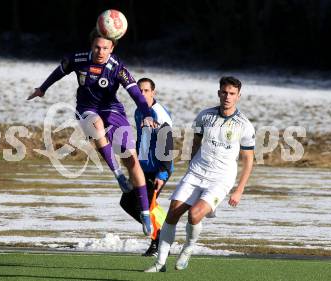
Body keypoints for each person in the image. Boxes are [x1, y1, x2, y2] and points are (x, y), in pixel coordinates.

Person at [27, 29, 154, 235]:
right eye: (97, 47)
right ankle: (118, 175)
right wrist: (42, 88)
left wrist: (146, 113)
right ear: (91, 46)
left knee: (131, 159)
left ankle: (146, 213)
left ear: (112, 48)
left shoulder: (117, 68)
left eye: (105, 48)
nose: (100, 51)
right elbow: (59, 71)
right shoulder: (78, 59)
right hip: (87, 108)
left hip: (113, 110)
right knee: (95, 126)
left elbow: (136, 94)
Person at [145, 76, 255, 272]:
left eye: (232, 94)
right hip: (196, 172)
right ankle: (160, 263)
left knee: (194, 216)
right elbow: (195, 143)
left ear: (238, 96)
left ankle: (188, 248)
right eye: (224, 92)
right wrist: (190, 167)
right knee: (172, 213)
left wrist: (239, 189)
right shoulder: (204, 116)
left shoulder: (244, 125)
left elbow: (248, 160)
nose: (227, 97)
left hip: (221, 178)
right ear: (219, 93)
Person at [120, 78, 173, 257]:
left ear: (153, 92)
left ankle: (158, 240)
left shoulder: (159, 113)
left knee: (147, 206)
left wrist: (163, 172)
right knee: (127, 202)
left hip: (158, 169)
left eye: (145, 91)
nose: (142, 94)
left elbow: (166, 142)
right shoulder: (138, 111)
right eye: (139, 91)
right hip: (142, 168)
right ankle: (160, 231)